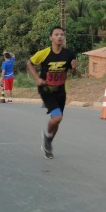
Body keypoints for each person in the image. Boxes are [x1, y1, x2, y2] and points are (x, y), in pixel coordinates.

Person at [26, 26, 77, 159]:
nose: (60, 36)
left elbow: (73, 72)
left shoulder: (69, 54)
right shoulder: (44, 53)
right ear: (51, 38)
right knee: (57, 117)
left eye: (62, 34)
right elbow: (29, 63)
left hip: (60, 91)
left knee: (56, 121)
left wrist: (75, 68)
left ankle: (48, 142)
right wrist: (37, 78)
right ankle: (47, 138)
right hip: (46, 89)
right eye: (56, 34)